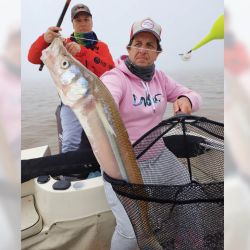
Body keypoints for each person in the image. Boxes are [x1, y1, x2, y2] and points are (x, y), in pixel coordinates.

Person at [100, 17, 202, 249]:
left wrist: (185, 99)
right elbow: (106, 99)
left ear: (157, 53)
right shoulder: (115, 78)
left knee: (191, 201)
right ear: (128, 48)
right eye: (138, 43)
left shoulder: (161, 78)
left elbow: (193, 95)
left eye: (150, 45)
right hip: (125, 166)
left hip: (160, 156)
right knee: (130, 233)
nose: (143, 50)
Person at [28, 3, 115, 154]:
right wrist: (45, 39)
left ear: (92, 21)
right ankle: (67, 173)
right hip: (71, 99)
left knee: (107, 139)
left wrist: (83, 51)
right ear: (72, 23)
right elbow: (33, 58)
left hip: (97, 98)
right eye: (78, 20)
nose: (82, 23)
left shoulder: (102, 46)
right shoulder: (62, 43)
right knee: (70, 141)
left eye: (86, 19)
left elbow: (110, 70)